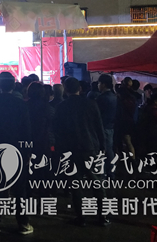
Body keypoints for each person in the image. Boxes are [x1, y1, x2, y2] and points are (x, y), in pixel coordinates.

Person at [53, 77, 108, 227]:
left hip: (70, 150)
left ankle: (81, 217)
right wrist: (102, 146)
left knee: (75, 185)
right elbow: (99, 127)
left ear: (65, 89)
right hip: (90, 147)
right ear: (80, 89)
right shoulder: (91, 104)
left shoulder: (62, 107)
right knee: (96, 182)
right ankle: (102, 216)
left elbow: (57, 130)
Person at [0, 71, 33, 235]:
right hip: (17, 150)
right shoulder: (21, 105)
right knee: (20, 188)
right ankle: (23, 222)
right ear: (14, 85)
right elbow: (27, 130)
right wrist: (28, 151)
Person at [95, 74, 117, 178]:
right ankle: (111, 172)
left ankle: (103, 175)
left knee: (102, 151)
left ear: (103, 84)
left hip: (103, 127)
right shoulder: (114, 96)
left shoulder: (101, 98)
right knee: (109, 150)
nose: (98, 85)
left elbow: (97, 115)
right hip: (111, 126)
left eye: (99, 83)